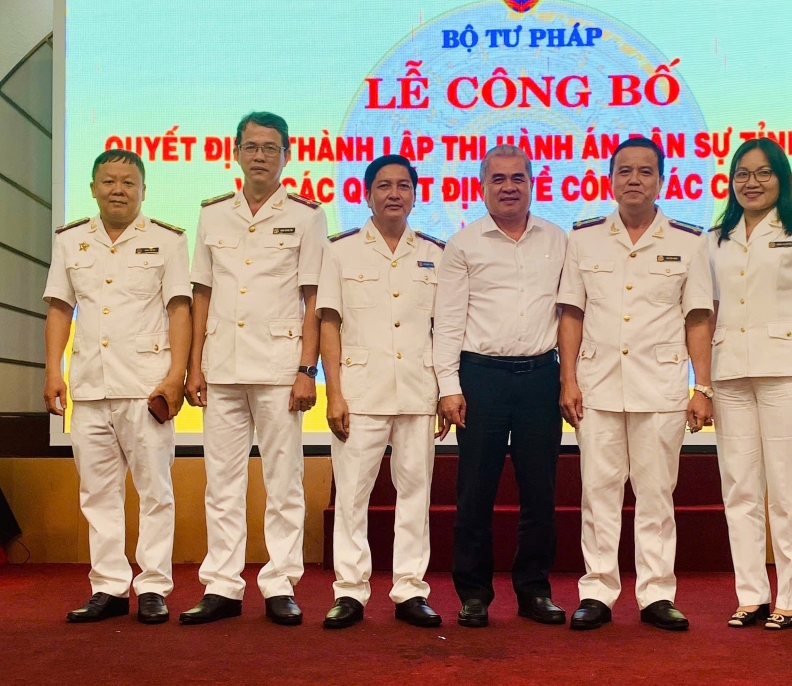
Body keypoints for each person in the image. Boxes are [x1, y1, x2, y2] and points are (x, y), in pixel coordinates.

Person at [557, 136, 714, 632]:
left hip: (660, 386)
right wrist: (567, 380)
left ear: (661, 180)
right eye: (624, 170)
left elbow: (698, 318)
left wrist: (702, 387)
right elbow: (571, 313)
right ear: (610, 179)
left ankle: (657, 595)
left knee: (656, 496)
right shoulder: (583, 238)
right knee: (598, 494)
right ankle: (597, 592)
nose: (634, 179)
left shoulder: (689, 242)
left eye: (645, 171)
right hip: (597, 385)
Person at [181, 111, 327, 626]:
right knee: (221, 483)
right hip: (221, 366)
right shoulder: (213, 214)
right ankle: (222, 585)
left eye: (270, 147)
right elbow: (201, 292)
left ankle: (280, 583)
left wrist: (307, 368)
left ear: (287, 154)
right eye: (251, 146)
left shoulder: (308, 216)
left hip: (280, 369)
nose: (260, 155)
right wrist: (194, 366)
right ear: (236, 152)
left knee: (283, 484)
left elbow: (313, 297)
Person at [43, 149, 191, 625]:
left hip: (147, 386)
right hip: (90, 386)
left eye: (129, 182)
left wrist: (176, 375)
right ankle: (108, 586)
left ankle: (153, 586)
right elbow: (60, 308)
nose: (118, 190)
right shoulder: (70, 241)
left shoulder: (168, 240)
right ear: (93, 188)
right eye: (109, 181)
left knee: (155, 491)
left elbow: (179, 309)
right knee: (98, 494)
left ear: (143, 190)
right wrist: (52, 371)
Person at [709, 138, 792, 631]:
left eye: (763, 173)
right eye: (742, 174)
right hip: (730, 374)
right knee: (740, 491)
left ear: (782, 178)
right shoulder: (715, 238)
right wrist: (702, 383)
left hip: (790, 373)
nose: (752, 183)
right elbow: (710, 312)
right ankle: (751, 595)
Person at [434, 144, 568, 628]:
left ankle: (534, 591)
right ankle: (474, 594)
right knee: (475, 493)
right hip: (481, 380)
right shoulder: (463, 244)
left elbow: (570, 313)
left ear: (532, 183)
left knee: (539, 493)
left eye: (517, 178)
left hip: (540, 379)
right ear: (482, 185)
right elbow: (448, 321)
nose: (509, 187)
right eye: (498, 179)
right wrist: (448, 386)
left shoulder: (557, 240)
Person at [317, 155, 444, 629]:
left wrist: (444, 391)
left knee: (416, 493)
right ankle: (350, 591)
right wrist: (333, 392)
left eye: (403, 185)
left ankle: (410, 589)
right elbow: (329, 322)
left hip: (418, 389)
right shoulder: (340, 251)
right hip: (360, 392)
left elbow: (443, 329)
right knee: (352, 495)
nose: (394, 193)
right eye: (384, 185)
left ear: (415, 194)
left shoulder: (435, 253)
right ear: (366, 194)